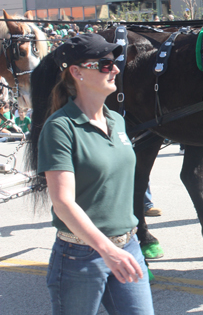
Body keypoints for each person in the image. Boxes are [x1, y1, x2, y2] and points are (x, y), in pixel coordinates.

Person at [37, 34, 154, 315]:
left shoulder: (117, 121)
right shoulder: (60, 128)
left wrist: (118, 250)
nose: (115, 69)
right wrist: (107, 251)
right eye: (103, 64)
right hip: (80, 256)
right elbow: (63, 203)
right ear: (76, 72)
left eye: (114, 63)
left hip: (128, 246)